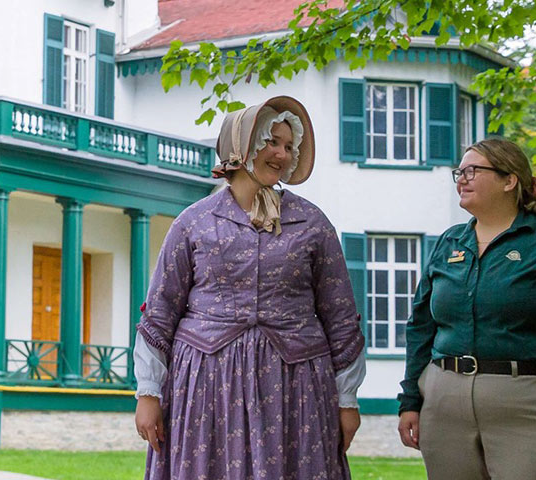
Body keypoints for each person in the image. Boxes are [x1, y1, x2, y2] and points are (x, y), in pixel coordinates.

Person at [132, 96, 367, 479]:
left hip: (295, 386)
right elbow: (160, 312)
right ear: (243, 147)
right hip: (207, 385)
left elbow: (340, 316)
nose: (282, 153)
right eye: (273, 142)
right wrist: (148, 394)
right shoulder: (195, 222)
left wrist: (347, 401)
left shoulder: (311, 223)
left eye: (289, 146)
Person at [395, 138, 536, 479]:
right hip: (444, 404)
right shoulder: (449, 242)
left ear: (510, 181)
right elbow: (421, 324)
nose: (462, 179)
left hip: (533, 404)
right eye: (459, 172)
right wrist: (411, 399)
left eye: (473, 170)